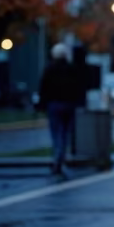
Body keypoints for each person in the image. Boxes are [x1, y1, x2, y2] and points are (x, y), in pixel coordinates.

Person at [37, 43, 80, 176]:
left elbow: (43, 88)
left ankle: (58, 157)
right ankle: (61, 156)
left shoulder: (50, 69)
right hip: (69, 104)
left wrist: (41, 104)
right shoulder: (71, 69)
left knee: (56, 133)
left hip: (54, 104)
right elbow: (78, 87)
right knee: (65, 133)